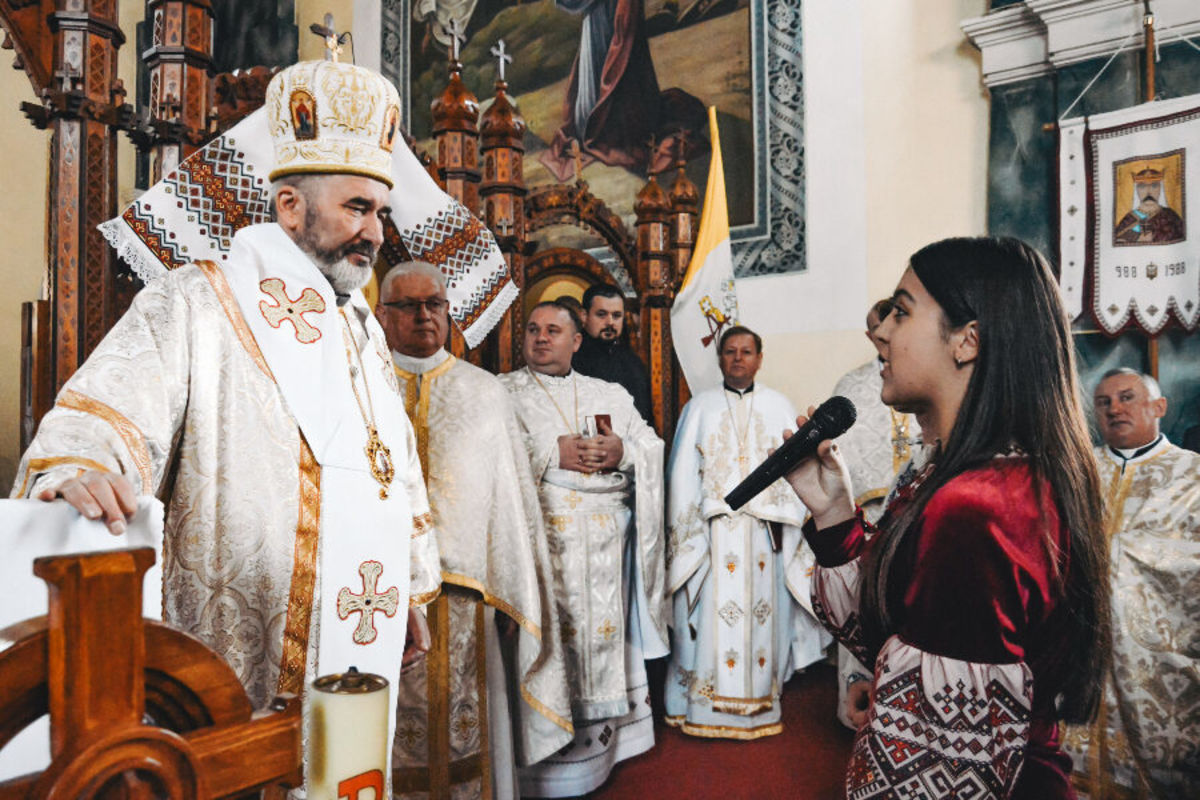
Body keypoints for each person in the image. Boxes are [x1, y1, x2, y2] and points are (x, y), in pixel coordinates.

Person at [12, 60, 441, 730]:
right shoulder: (199, 300)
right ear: (291, 205)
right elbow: (107, 414)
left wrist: (405, 589)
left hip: (358, 624)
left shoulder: (363, 328)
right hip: (230, 664)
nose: (377, 234)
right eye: (357, 207)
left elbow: (394, 466)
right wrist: (80, 469)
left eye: (381, 212)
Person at [785, 236, 1111, 798]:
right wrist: (835, 513)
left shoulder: (978, 507)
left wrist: (903, 706)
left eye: (901, 312)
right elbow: (892, 628)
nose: (880, 331)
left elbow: (934, 775)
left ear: (967, 341)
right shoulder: (969, 473)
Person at [377, 262, 573, 799]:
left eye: (434, 305)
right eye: (409, 306)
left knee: (470, 738)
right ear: (382, 314)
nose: (424, 316)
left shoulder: (483, 392)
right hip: (377, 593)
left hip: (468, 596)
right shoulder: (361, 385)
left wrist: (516, 592)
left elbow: (511, 503)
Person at [499, 301, 666, 797]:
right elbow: (488, 455)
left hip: (605, 555)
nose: (541, 338)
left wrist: (624, 452)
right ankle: (544, 767)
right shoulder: (502, 392)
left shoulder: (608, 393)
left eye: (553, 330)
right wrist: (553, 453)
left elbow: (651, 445)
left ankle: (599, 757)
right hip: (542, 551)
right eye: (533, 329)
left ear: (577, 341)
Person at [664, 325, 829, 739]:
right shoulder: (698, 407)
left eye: (746, 351)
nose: (738, 358)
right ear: (720, 358)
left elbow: (798, 470)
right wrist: (690, 535)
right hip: (713, 538)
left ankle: (760, 705)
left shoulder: (778, 405)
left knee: (764, 619)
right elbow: (681, 476)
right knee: (708, 619)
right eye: (730, 351)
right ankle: (704, 710)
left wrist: (781, 514)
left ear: (760, 357)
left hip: (764, 535)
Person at [1064, 368, 1200, 797]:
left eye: (1127, 398)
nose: (1115, 409)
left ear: (1158, 407)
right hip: (1078, 663)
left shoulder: (1193, 477)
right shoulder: (1075, 476)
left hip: (1164, 671)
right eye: (1104, 402)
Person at [829, 299, 923, 729]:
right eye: (874, 326)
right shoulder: (851, 385)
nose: (882, 333)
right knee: (863, 610)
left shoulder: (924, 375)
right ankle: (860, 712)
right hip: (871, 520)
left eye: (892, 321)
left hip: (923, 514)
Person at [571, 284, 654, 426]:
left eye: (616, 316)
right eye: (601, 314)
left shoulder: (633, 363)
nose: (610, 322)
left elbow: (644, 419)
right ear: (584, 316)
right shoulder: (569, 359)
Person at [1114, 167, 1185, 245]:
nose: (1148, 192)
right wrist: (1137, 239)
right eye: (1142, 186)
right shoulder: (1128, 219)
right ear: (1136, 190)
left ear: (1160, 189)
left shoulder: (1171, 216)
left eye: (1154, 186)